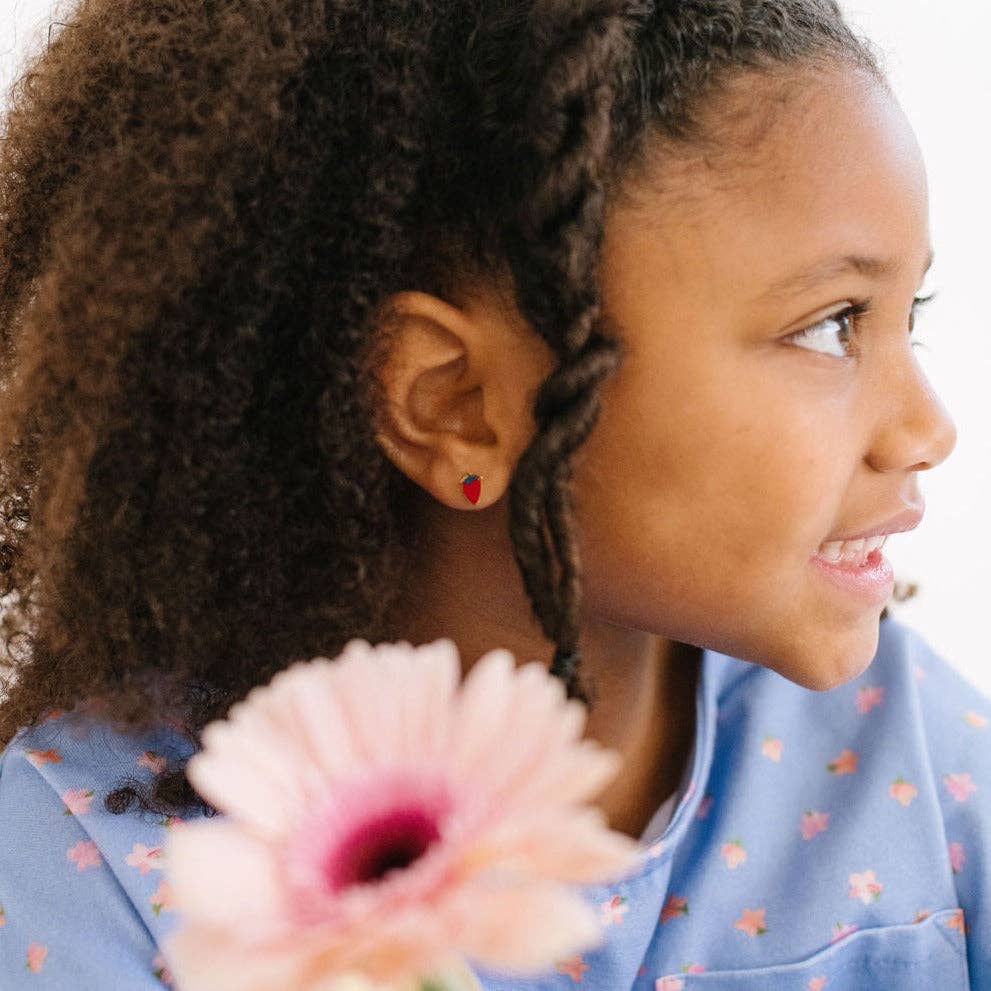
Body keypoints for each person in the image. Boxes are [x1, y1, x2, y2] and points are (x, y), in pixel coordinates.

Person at [0, 0, 983, 987]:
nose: (926, 429)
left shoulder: (904, 746)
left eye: (913, 311)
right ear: (456, 404)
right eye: (830, 325)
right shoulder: (90, 881)